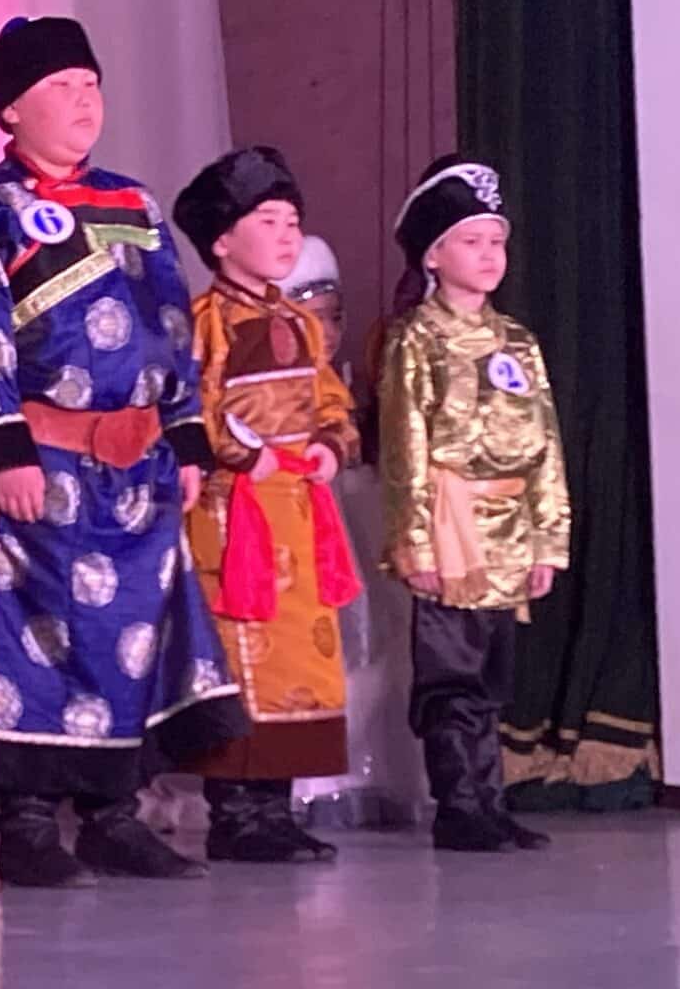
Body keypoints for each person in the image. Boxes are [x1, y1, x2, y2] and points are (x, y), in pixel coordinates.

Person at [0, 15, 248, 888]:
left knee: (129, 635)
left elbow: (172, 322)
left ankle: (113, 817)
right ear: (11, 109)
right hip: (46, 460)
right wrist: (6, 446)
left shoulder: (134, 204)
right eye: (61, 87)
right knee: (34, 636)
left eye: (90, 84)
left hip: (137, 466)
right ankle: (27, 826)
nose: (83, 101)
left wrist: (184, 434)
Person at [172, 148, 361, 863]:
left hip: (300, 509)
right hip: (235, 515)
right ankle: (236, 814)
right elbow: (191, 409)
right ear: (222, 240)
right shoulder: (203, 323)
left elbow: (331, 400)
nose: (287, 236)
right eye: (269, 221)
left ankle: (276, 808)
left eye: (292, 222)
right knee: (240, 651)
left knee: (301, 658)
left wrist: (331, 445)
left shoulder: (304, 325)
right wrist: (247, 455)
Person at [379, 156, 569, 853]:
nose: (489, 255)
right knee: (451, 672)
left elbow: (545, 443)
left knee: (493, 674)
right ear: (433, 255)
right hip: (450, 520)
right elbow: (404, 445)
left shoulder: (518, 340)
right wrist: (414, 541)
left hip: (509, 525)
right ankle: (457, 803)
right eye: (471, 241)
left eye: (497, 241)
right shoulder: (416, 339)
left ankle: (490, 799)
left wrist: (548, 538)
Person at [282, 236, 432, 829]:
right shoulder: (260, 379)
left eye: (333, 316)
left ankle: (369, 771)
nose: (326, 331)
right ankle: (302, 780)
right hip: (290, 519)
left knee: (373, 644)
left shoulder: (339, 384)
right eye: (311, 316)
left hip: (347, 516)